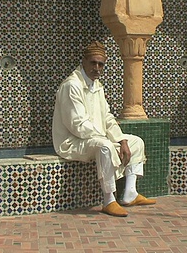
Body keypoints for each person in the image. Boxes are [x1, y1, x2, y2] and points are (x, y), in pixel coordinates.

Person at [52, 41, 156, 217]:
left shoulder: (97, 85)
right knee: (105, 147)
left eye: (101, 64)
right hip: (72, 141)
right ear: (84, 61)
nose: (97, 68)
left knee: (136, 142)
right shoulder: (72, 86)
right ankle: (109, 200)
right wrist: (110, 141)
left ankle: (130, 193)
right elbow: (78, 125)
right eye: (93, 63)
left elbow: (107, 117)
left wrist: (121, 140)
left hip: (94, 137)